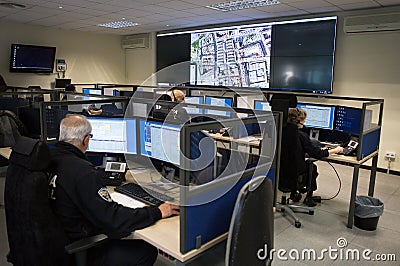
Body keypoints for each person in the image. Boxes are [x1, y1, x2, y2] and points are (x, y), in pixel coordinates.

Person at [49, 114, 179, 266]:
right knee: (146, 251)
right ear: (86, 140)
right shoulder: (82, 172)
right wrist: (157, 212)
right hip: (79, 248)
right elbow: (113, 218)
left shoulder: (49, 159)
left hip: (55, 242)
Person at [288, 108, 344, 207]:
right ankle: (309, 198)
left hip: (282, 169)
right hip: (295, 171)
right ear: (298, 120)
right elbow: (317, 153)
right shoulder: (301, 135)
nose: (305, 122)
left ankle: (294, 194)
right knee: (312, 167)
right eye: (304, 120)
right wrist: (335, 150)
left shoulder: (281, 131)